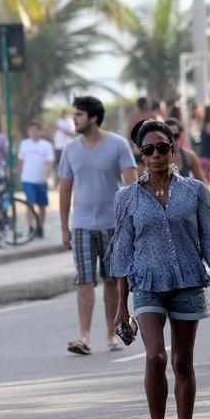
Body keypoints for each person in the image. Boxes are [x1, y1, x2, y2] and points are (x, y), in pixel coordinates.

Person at [111, 119, 210, 419]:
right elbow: (121, 253)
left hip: (188, 282)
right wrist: (121, 307)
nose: (155, 155)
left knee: (182, 361)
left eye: (161, 148)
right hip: (147, 285)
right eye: (147, 149)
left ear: (173, 148)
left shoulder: (195, 191)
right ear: (140, 153)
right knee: (156, 358)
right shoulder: (126, 198)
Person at [59, 96, 137, 355]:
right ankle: (83, 336)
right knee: (84, 281)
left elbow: (131, 184)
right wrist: (64, 227)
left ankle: (111, 335)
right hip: (81, 225)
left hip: (113, 226)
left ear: (93, 118)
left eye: (78, 115)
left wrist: (133, 222)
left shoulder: (118, 145)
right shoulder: (70, 149)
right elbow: (65, 189)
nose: (74, 119)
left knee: (112, 282)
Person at [18, 120, 54, 238]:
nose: (34, 132)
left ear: (40, 131)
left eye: (36, 129)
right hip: (28, 179)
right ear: (29, 132)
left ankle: (40, 227)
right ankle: (30, 227)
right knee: (30, 203)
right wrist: (21, 175)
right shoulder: (24, 144)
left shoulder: (46, 145)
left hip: (41, 180)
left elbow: (49, 162)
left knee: (42, 206)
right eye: (31, 130)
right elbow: (21, 161)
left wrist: (46, 177)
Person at [165, 117, 207, 183]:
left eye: (175, 136)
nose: (172, 140)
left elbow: (203, 183)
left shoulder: (189, 156)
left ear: (180, 135)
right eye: (169, 136)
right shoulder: (158, 156)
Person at [53, 109, 75, 185]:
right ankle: (57, 182)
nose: (62, 114)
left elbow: (71, 133)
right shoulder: (58, 121)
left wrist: (61, 129)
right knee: (57, 165)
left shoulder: (70, 122)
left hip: (66, 147)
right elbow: (54, 130)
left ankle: (70, 181)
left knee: (68, 165)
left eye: (63, 113)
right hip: (58, 146)